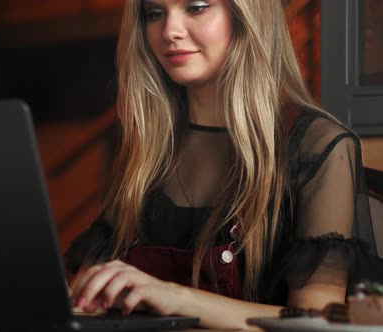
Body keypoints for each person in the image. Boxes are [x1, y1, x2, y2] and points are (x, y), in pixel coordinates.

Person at [64, 0, 383, 330]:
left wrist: (178, 298)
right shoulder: (145, 151)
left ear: (247, 16)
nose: (169, 31)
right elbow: (83, 287)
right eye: (154, 14)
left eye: (196, 7)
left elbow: (317, 323)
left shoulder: (318, 145)